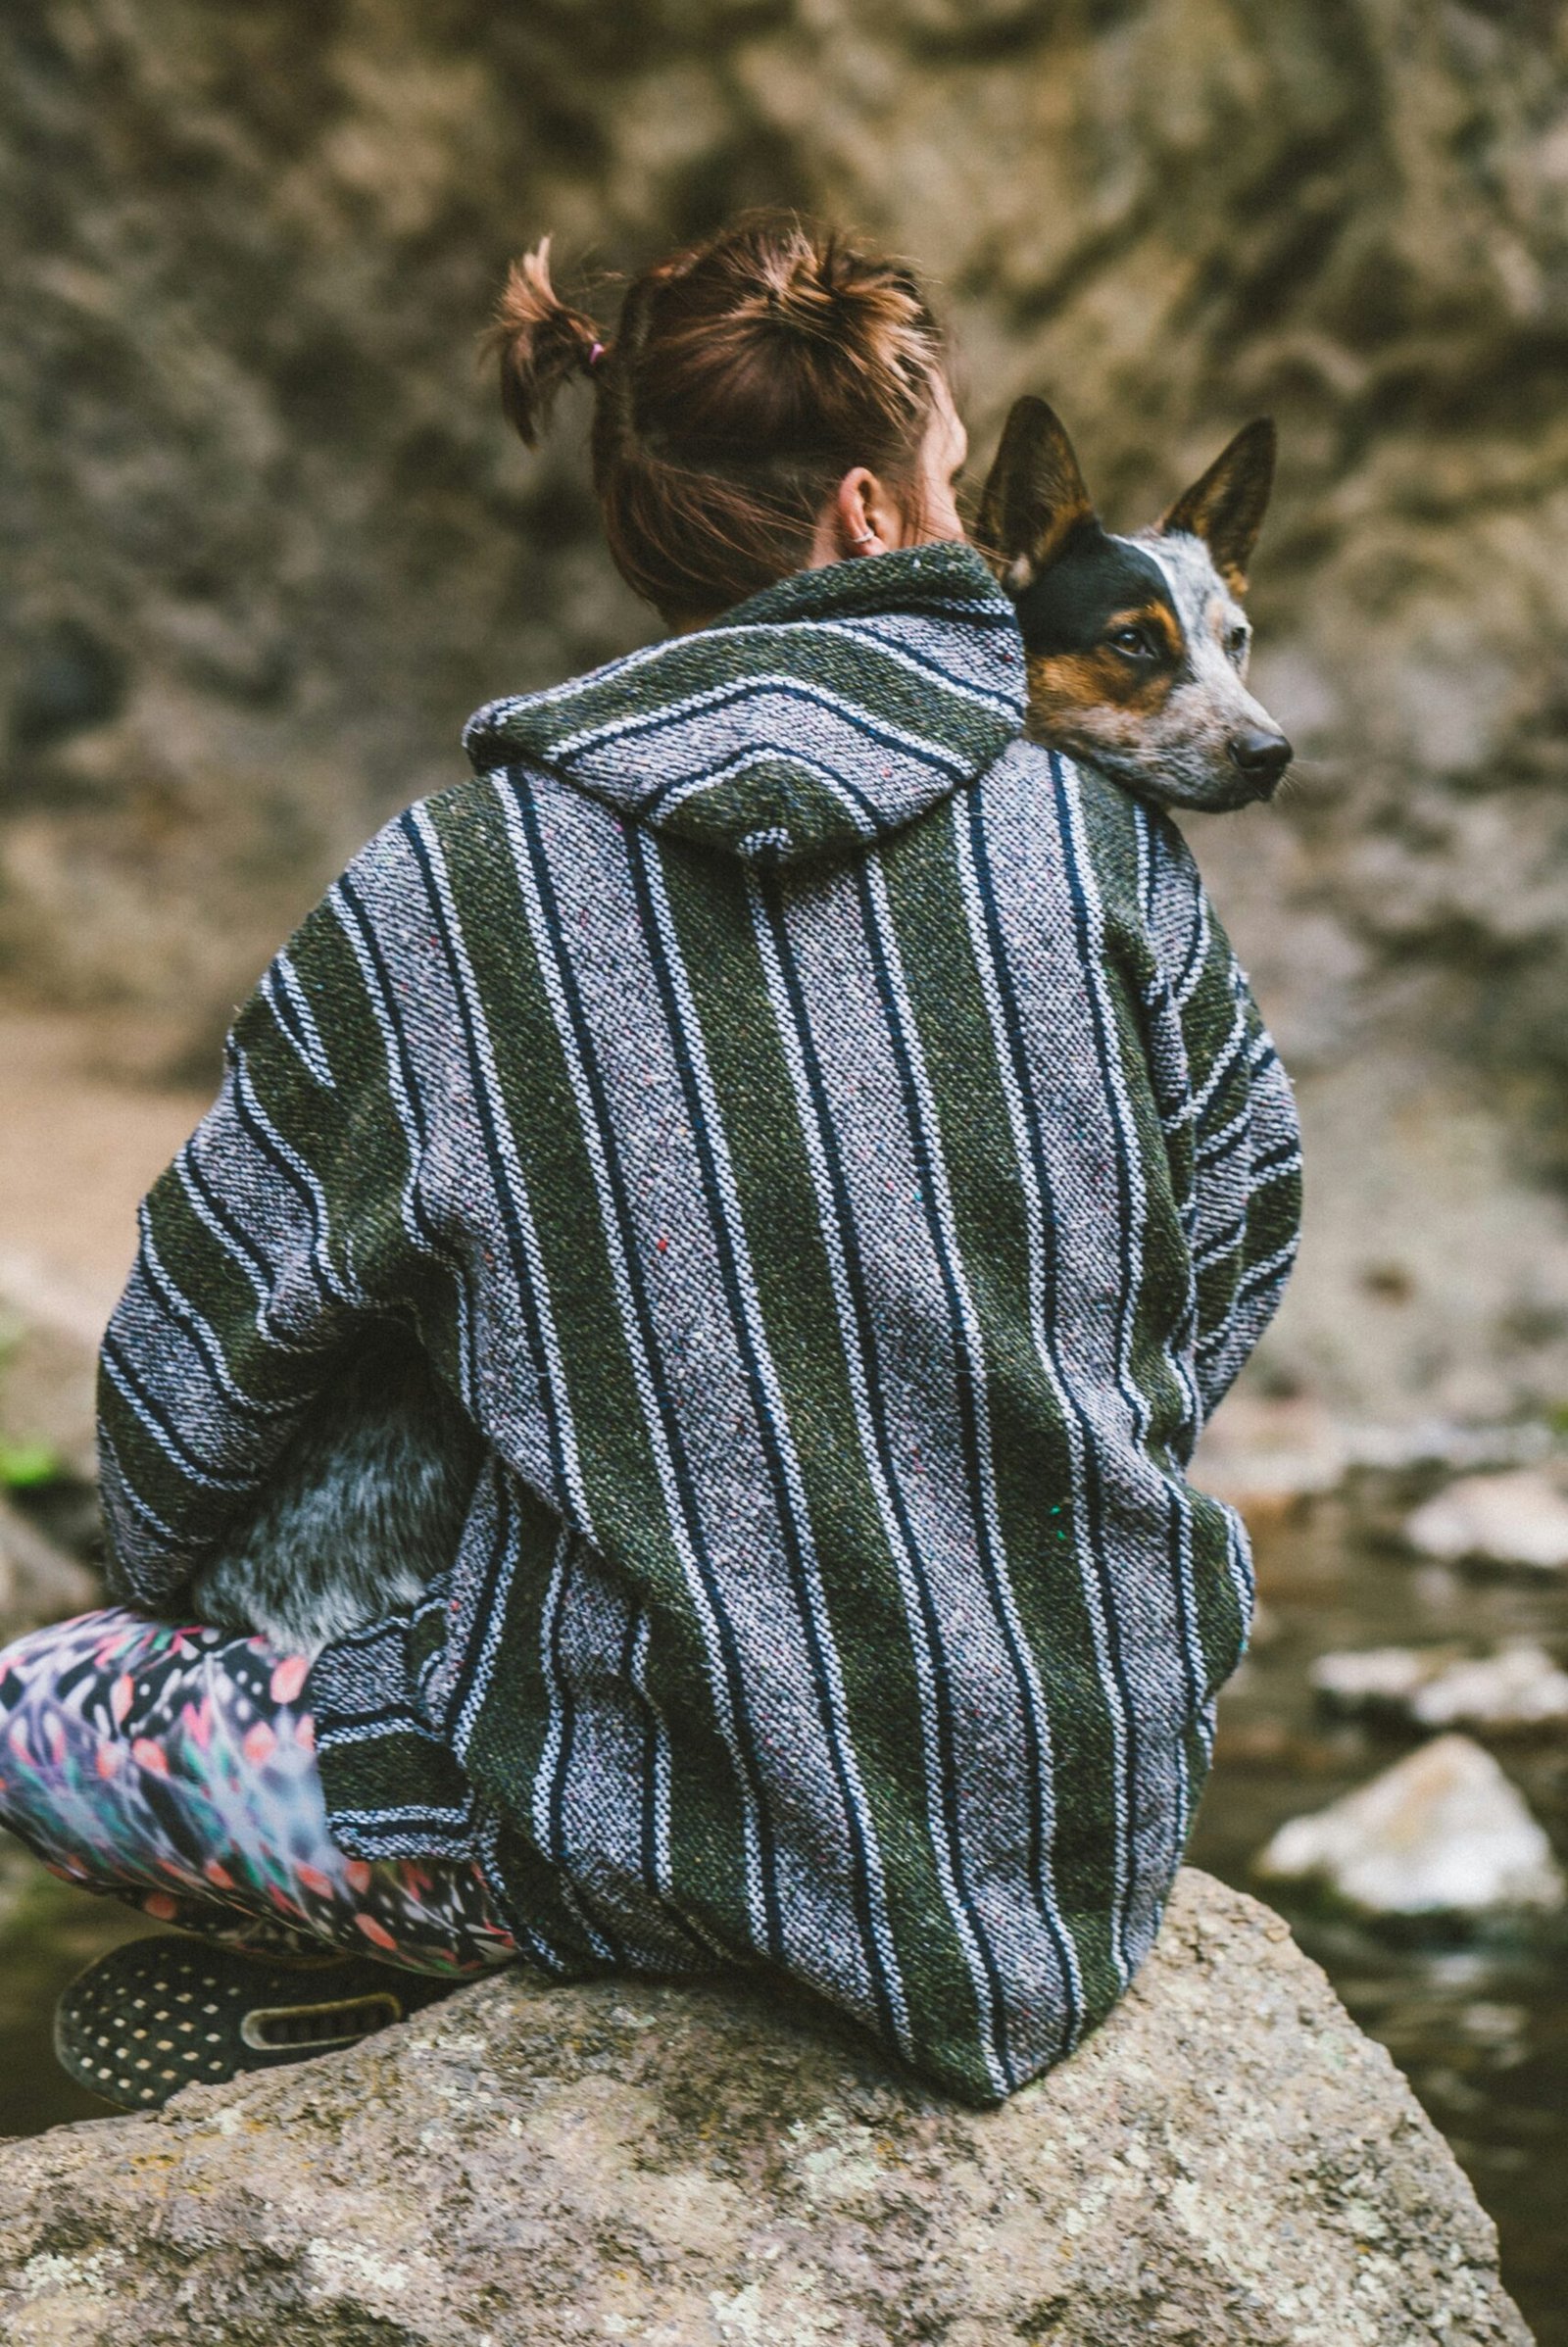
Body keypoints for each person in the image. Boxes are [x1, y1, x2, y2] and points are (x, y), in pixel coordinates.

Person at [0, 215, 1300, 2111]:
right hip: (1063, 1817)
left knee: (38, 1713)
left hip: (613, 1828)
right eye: (957, 492)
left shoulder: (449, 890)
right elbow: (1241, 1230)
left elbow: (192, 1387)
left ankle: (435, 1975)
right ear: (872, 512)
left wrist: (189, 1590)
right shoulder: (1104, 852)